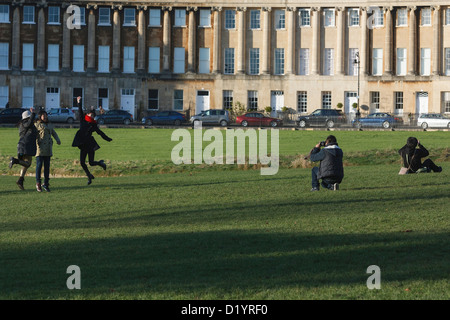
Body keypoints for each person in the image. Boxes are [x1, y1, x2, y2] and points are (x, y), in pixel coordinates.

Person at [72, 96, 112, 185]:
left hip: (90, 144)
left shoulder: (93, 124)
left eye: (93, 115)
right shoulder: (83, 120)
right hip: (83, 144)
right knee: (82, 163)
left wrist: (107, 139)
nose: (92, 116)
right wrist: (79, 102)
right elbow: (80, 110)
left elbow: (100, 133)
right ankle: (89, 176)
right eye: (91, 114)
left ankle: (100, 163)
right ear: (87, 114)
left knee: (91, 162)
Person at [8, 108, 38, 190]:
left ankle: (20, 180)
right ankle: (15, 161)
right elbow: (29, 124)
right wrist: (33, 114)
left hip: (26, 146)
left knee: (26, 164)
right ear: (27, 118)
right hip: (25, 145)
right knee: (27, 164)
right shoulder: (25, 123)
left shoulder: (25, 124)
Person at [35, 110, 61, 192]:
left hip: (48, 147)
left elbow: (53, 132)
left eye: (46, 115)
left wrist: (57, 140)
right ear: (40, 116)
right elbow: (34, 135)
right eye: (43, 115)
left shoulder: (49, 124)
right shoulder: (37, 124)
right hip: (40, 147)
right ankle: (38, 183)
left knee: (47, 166)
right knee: (39, 166)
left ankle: (46, 183)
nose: (45, 117)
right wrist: (36, 144)